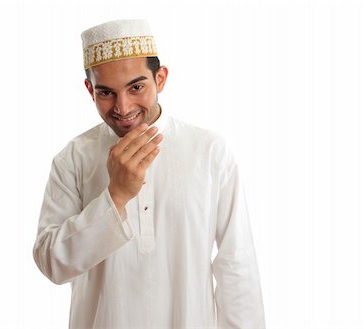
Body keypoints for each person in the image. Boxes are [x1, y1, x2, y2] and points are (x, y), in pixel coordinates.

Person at [33, 19, 266, 329]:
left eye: (136, 87)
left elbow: (237, 264)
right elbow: (52, 264)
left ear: (161, 78)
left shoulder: (209, 151)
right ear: (89, 90)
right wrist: (116, 197)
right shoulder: (73, 158)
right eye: (106, 93)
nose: (123, 107)